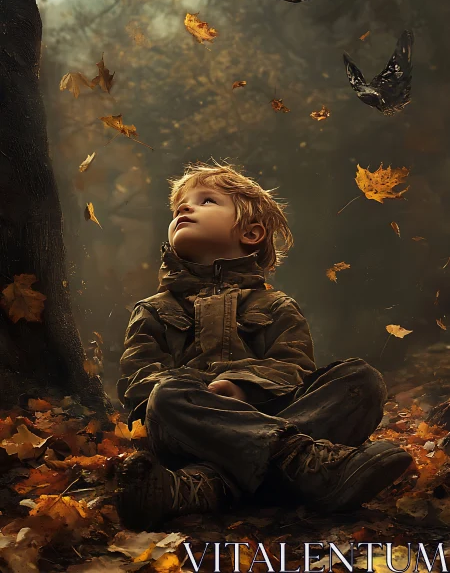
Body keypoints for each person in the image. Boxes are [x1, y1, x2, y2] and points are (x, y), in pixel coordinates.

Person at [114, 161, 412, 531]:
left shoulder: (275, 306)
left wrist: (243, 387)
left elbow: (294, 367)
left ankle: (203, 488)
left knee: (361, 380)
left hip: (267, 412)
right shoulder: (154, 310)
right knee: (166, 393)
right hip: (186, 430)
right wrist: (203, 394)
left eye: (206, 201)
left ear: (251, 233)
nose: (184, 209)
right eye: (179, 208)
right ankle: (299, 461)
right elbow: (137, 381)